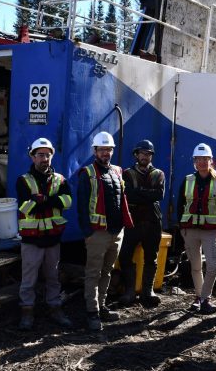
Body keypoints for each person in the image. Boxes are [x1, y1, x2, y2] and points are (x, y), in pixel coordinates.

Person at [77, 131, 134, 331]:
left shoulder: (118, 171)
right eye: (102, 150)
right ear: (95, 151)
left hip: (116, 233)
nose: (105, 153)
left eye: (108, 149)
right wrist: (88, 232)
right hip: (97, 233)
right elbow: (82, 206)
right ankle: (91, 312)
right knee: (93, 273)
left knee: (107, 272)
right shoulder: (87, 173)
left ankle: (101, 307)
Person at [16, 137, 73, 330]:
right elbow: (26, 207)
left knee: (53, 278)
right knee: (28, 280)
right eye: (40, 155)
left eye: (47, 155)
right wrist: (52, 201)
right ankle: (26, 312)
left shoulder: (61, 180)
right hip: (31, 239)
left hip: (53, 239)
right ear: (32, 157)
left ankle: (55, 309)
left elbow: (67, 202)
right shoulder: (23, 180)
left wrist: (43, 199)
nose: (44, 158)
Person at [176, 143, 216, 314]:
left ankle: (205, 298)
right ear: (194, 161)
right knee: (196, 266)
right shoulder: (188, 180)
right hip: (190, 230)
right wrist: (181, 226)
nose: (202, 162)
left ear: (211, 161)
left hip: (210, 231)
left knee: (213, 266)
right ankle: (198, 297)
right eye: (198, 159)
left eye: (205, 159)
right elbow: (180, 204)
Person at [118, 139, 166, 308]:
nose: (145, 156)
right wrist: (146, 194)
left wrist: (138, 193)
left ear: (151, 156)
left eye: (148, 154)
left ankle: (148, 291)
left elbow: (158, 195)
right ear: (136, 154)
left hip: (153, 222)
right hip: (133, 222)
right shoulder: (127, 173)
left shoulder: (159, 174)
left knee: (151, 257)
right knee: (125, 256)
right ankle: (130, 291)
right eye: (142, 153)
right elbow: (127, 195)